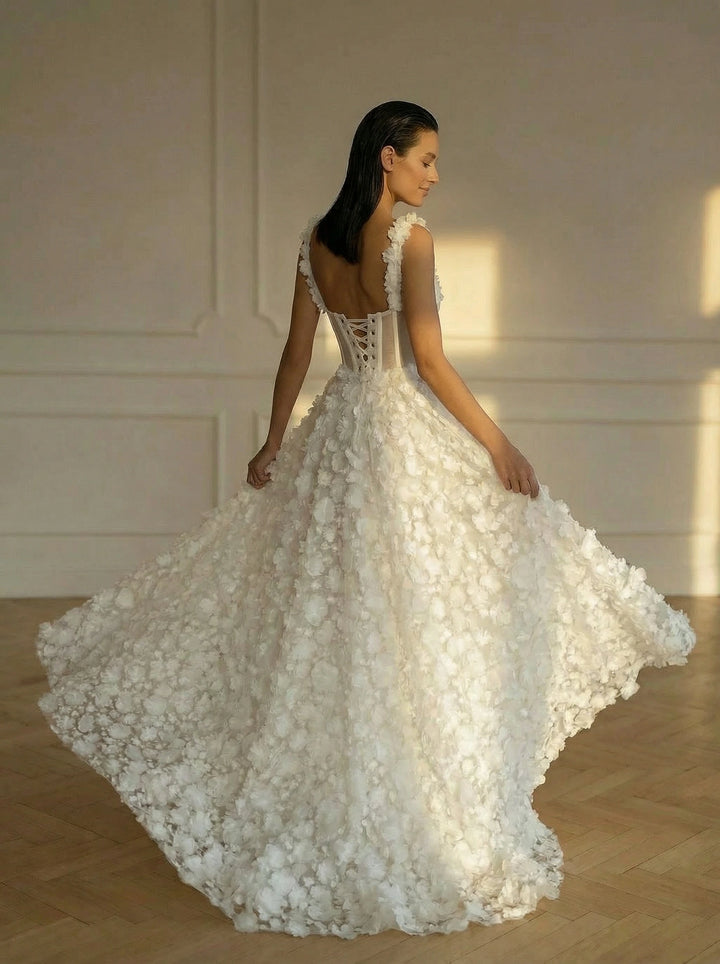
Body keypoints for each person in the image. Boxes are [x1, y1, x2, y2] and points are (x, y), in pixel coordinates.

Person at [36, 101, 696, 941]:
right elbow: (427, 359)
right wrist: (500, 445)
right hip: (396, 432)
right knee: (418, 614)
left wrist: (275, 443)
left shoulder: (318, 237)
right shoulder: (408, 239)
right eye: (426, 160)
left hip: (339, 430)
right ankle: (413, 793)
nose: (434, 176)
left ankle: (353, 782)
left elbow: (296, 353)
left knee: (340, 622)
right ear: (388, 159)